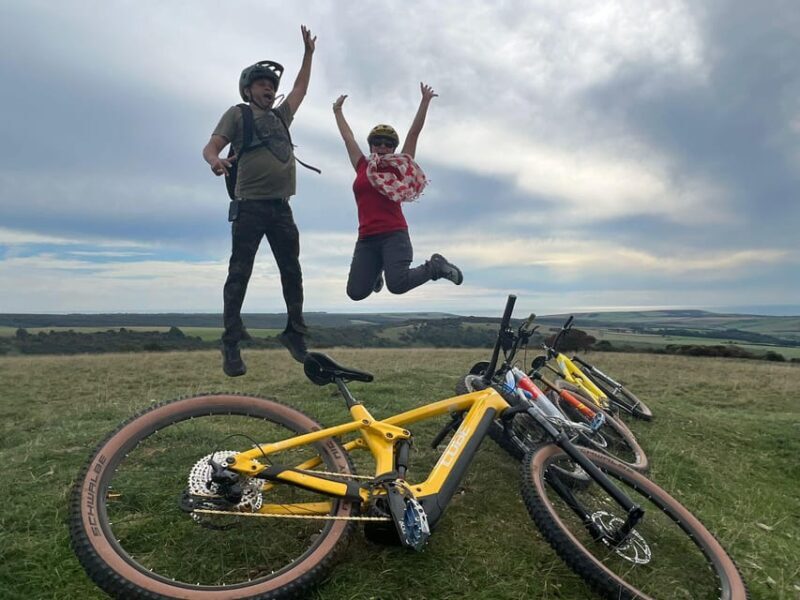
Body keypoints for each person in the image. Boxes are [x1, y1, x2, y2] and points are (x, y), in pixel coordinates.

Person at [202, 25, 316, 376]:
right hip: (250, 205)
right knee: (240, 273)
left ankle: (295, 333)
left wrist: (308, 55)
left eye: (272, 85)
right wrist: (215, 161)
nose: (270, 88)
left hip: (282, 207)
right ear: (248, 88)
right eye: (263, 84)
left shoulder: (282, 117)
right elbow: (211, 147)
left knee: (291, 271)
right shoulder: (238, 114)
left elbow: (299, 89)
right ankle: (231, 343)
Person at [332, 83, 463, 302]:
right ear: (371, 145)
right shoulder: (362, 165)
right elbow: (348, 138)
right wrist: (337, 111)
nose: (382, 147)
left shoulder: (399, 166)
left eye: (388, 144)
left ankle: (435, 266)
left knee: (398, 284)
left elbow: (414, 133)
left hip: (394, 235)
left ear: (393, 148)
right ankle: (375, 273)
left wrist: (425, 101)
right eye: (377, 143)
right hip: (366, 238)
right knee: (355, 293)